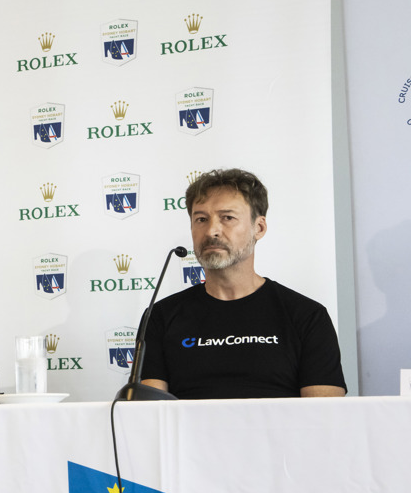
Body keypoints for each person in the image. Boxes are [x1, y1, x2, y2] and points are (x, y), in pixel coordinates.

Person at [141, 168, 346, 399]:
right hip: (188, 436)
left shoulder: (306, 316)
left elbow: (325, 418)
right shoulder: (160, 317)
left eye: (227, 217)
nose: (212, 231)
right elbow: (150, 416)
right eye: (201, 219)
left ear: (259, 228)